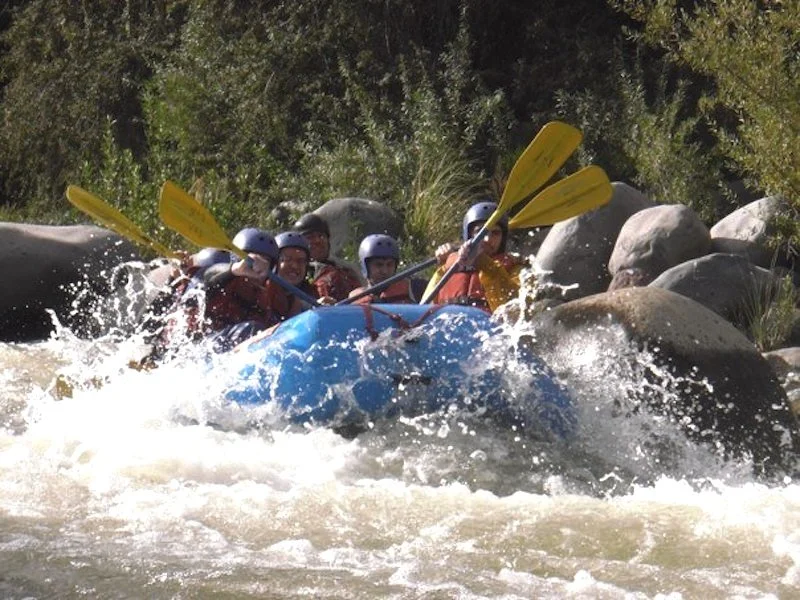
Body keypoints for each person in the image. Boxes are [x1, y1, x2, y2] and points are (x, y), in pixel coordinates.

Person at [426, 201, 523, 312]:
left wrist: (483, 262)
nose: (487, 239)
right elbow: (424, 308)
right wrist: (443, 263)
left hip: (486, 325)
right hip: (447, 322)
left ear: (503, 237)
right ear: (469, 234)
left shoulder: (515, 269)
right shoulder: (449, 266)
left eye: (495, 233)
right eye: (480, 232)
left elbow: (515, 309)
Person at [199, 228, 282, 350]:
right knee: (252, 329)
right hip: (203, 347)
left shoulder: (265, 296)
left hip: (236, 350)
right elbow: (209, 277)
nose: (257, 267)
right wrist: (237, 269)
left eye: (265, 262)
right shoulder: (224, 279)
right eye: (252, 261)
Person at [293, 213, 362, 301]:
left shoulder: (346, 272)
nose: (317, 241)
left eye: (321, 236)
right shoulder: (295, 274)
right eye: (310, 237)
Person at [260, 231, 325, 320]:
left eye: (300, 261)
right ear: (275, 263)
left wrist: (327, 310)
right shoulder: (262, 291)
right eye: (287, 259)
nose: (294, 266)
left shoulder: (314, 293)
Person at [347, 234, 426, 304]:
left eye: (389, 265)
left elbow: (437, 292)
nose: (385, 271)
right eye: (379, 265)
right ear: (365, 267)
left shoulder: (415, 288)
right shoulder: (355, 300)